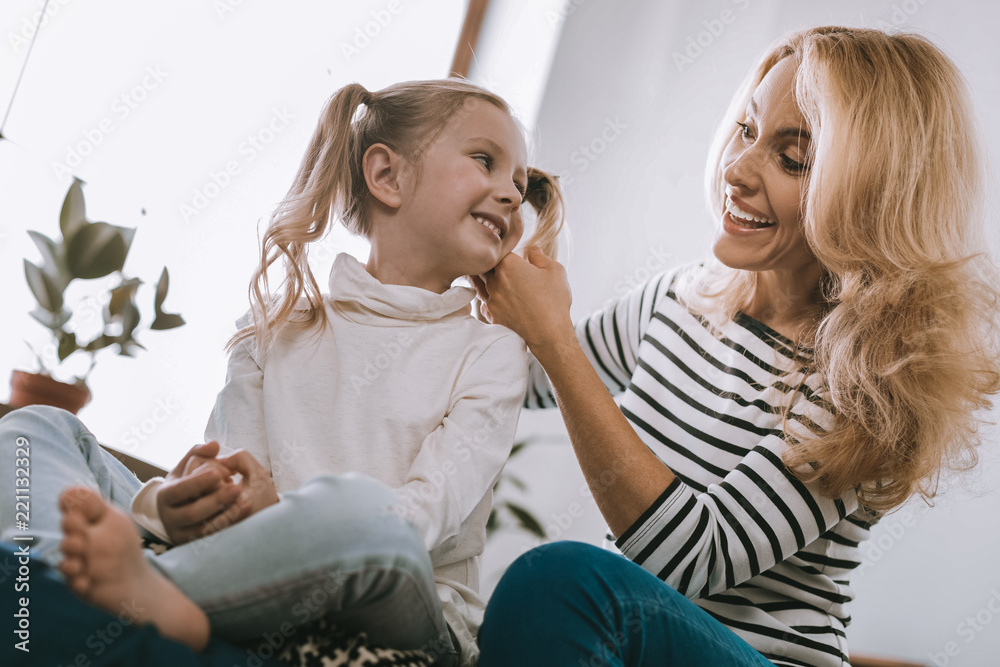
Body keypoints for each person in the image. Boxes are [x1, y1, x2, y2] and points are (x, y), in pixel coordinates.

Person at [472, 26, 1000, 667]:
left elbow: (694, 557)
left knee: (557, 584)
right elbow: (515, 379)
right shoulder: (678, 299)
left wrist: (554, 338)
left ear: (872, 196)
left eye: (793, 158)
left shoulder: (870, 382)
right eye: (747, 131)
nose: (737, 169)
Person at [0, 78, 563, 667]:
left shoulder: (490, 352)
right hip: (238, 565)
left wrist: (273, 517)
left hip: (396, 593)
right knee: (39, 427)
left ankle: (147, 594)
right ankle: (53, 579)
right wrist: (164, 505)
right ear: (387, 177)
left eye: (519, 185)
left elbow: (426, 519)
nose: (509, 194)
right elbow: (232, 484)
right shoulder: (273, 324)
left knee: (373, 515)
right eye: (485, 161)